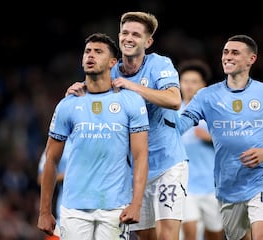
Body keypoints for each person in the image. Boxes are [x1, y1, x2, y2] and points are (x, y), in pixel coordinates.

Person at [67, 11, 189, 240]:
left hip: (167, 163)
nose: (128, 38)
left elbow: (173, 100)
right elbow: (91, 98)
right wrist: (75, 94)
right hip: (133, 169)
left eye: (136, 34)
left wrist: (133, 88)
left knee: (167, 235)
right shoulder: (110, 69)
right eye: (125, 33)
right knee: (145, 235)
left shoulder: (159, 64)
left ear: (148, 41)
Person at [176, 34, 263, 240]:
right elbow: (181, 125)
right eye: (225, 52)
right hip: (227, 185)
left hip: (262, 179)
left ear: (251, 59)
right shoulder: (206, 96)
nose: (227, 57)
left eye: (235, 52)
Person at [37, 32, 149, 240]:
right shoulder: (67, 104)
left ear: (112, 62)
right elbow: (51, 159)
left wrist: (136, 204)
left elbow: (141, 156)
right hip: (73, 208)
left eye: (98, 52)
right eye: (87, 51)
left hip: (116, 206)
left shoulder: (131, 101)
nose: (91, 55)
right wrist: (45, 211)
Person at [177, 59, 224, 240]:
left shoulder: (214, 113)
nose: (189, 86)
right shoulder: (173, 113)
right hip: (184, 185)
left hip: (211, 185)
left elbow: (232, 142)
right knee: (190, 231)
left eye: (194, 81)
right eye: (185, 81)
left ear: (203, 85)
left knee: (214, 234)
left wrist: (211, 138)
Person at [37, 141, 69, 239]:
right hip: (64, 216)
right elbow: (40, 178)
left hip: (99, 213)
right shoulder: (58, 142)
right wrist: (67, 176)